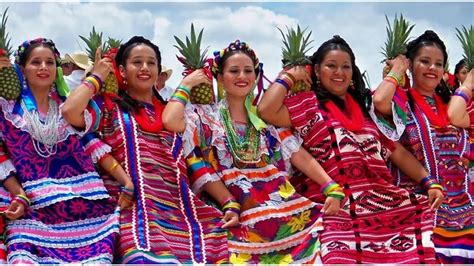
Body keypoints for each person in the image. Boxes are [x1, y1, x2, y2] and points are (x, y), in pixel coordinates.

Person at [162, 39, 351, 264]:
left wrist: (330, 186)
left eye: (248, 71)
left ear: (256, 76)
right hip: (236, 206)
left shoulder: (264, 121)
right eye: (234, 71)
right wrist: (187, 84)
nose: (242, 76)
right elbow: (171, 120)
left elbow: (297, 154)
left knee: (334, 230)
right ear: (220, 78)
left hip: (281, 204)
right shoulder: (206, 118)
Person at [258, 35, 443, 264]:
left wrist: (429, 182)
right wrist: (288, 76)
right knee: (337, 253)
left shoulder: (365, 107)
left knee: (434, 236)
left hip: (383, 199)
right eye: (331, 66)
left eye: (346, 66)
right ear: (316, 70)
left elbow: (395, 150)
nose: (339, 73)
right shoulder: (307, 104)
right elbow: (265, 110)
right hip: (335, 200)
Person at [61, 36, 228, 264]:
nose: (144, 68)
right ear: (122, 69)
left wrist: (229, 202)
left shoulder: (174, 114)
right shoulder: (109, 108)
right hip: (132, 208)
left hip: (179, 210)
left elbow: (195, 162)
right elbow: (70, 111)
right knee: (140, 256)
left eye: (151, 63)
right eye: (137, 62)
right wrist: (96, 76)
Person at [0, 37, 119, 263]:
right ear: (22, 69)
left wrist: (97, 76)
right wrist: (20, 194)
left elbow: (92, 141)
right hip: (34, 210)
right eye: (36, 62)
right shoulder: (7, 110)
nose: (44, 67)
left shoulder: (69, 106)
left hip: (87, 207)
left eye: (50, 62)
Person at [372, 30, 474, 263]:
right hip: (419, 202)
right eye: (424, 61)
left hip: (463, 207)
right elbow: (378, 101)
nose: (432, 68)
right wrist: (397, 70)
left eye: (438, 64)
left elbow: (460, 118)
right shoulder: (401, 101)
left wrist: (468, 84)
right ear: (411, 64)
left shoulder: (451, 104)